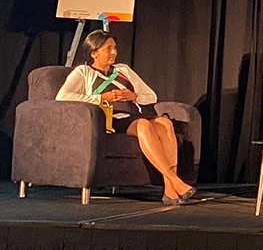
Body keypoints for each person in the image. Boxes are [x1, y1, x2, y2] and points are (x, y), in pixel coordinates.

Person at [56, 30, 196, 205]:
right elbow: (62, 97)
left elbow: (151, 96)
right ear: (94, 53)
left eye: (114, 48)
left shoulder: (123, 70)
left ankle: (170, 189)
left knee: (165, 123)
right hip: (109, 119)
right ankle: (174, 181)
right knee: (144, 125)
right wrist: (100, 98)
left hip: (132, 115)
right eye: (108, 49)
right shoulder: (84, 72)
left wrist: (134, 96)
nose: (113, 52)